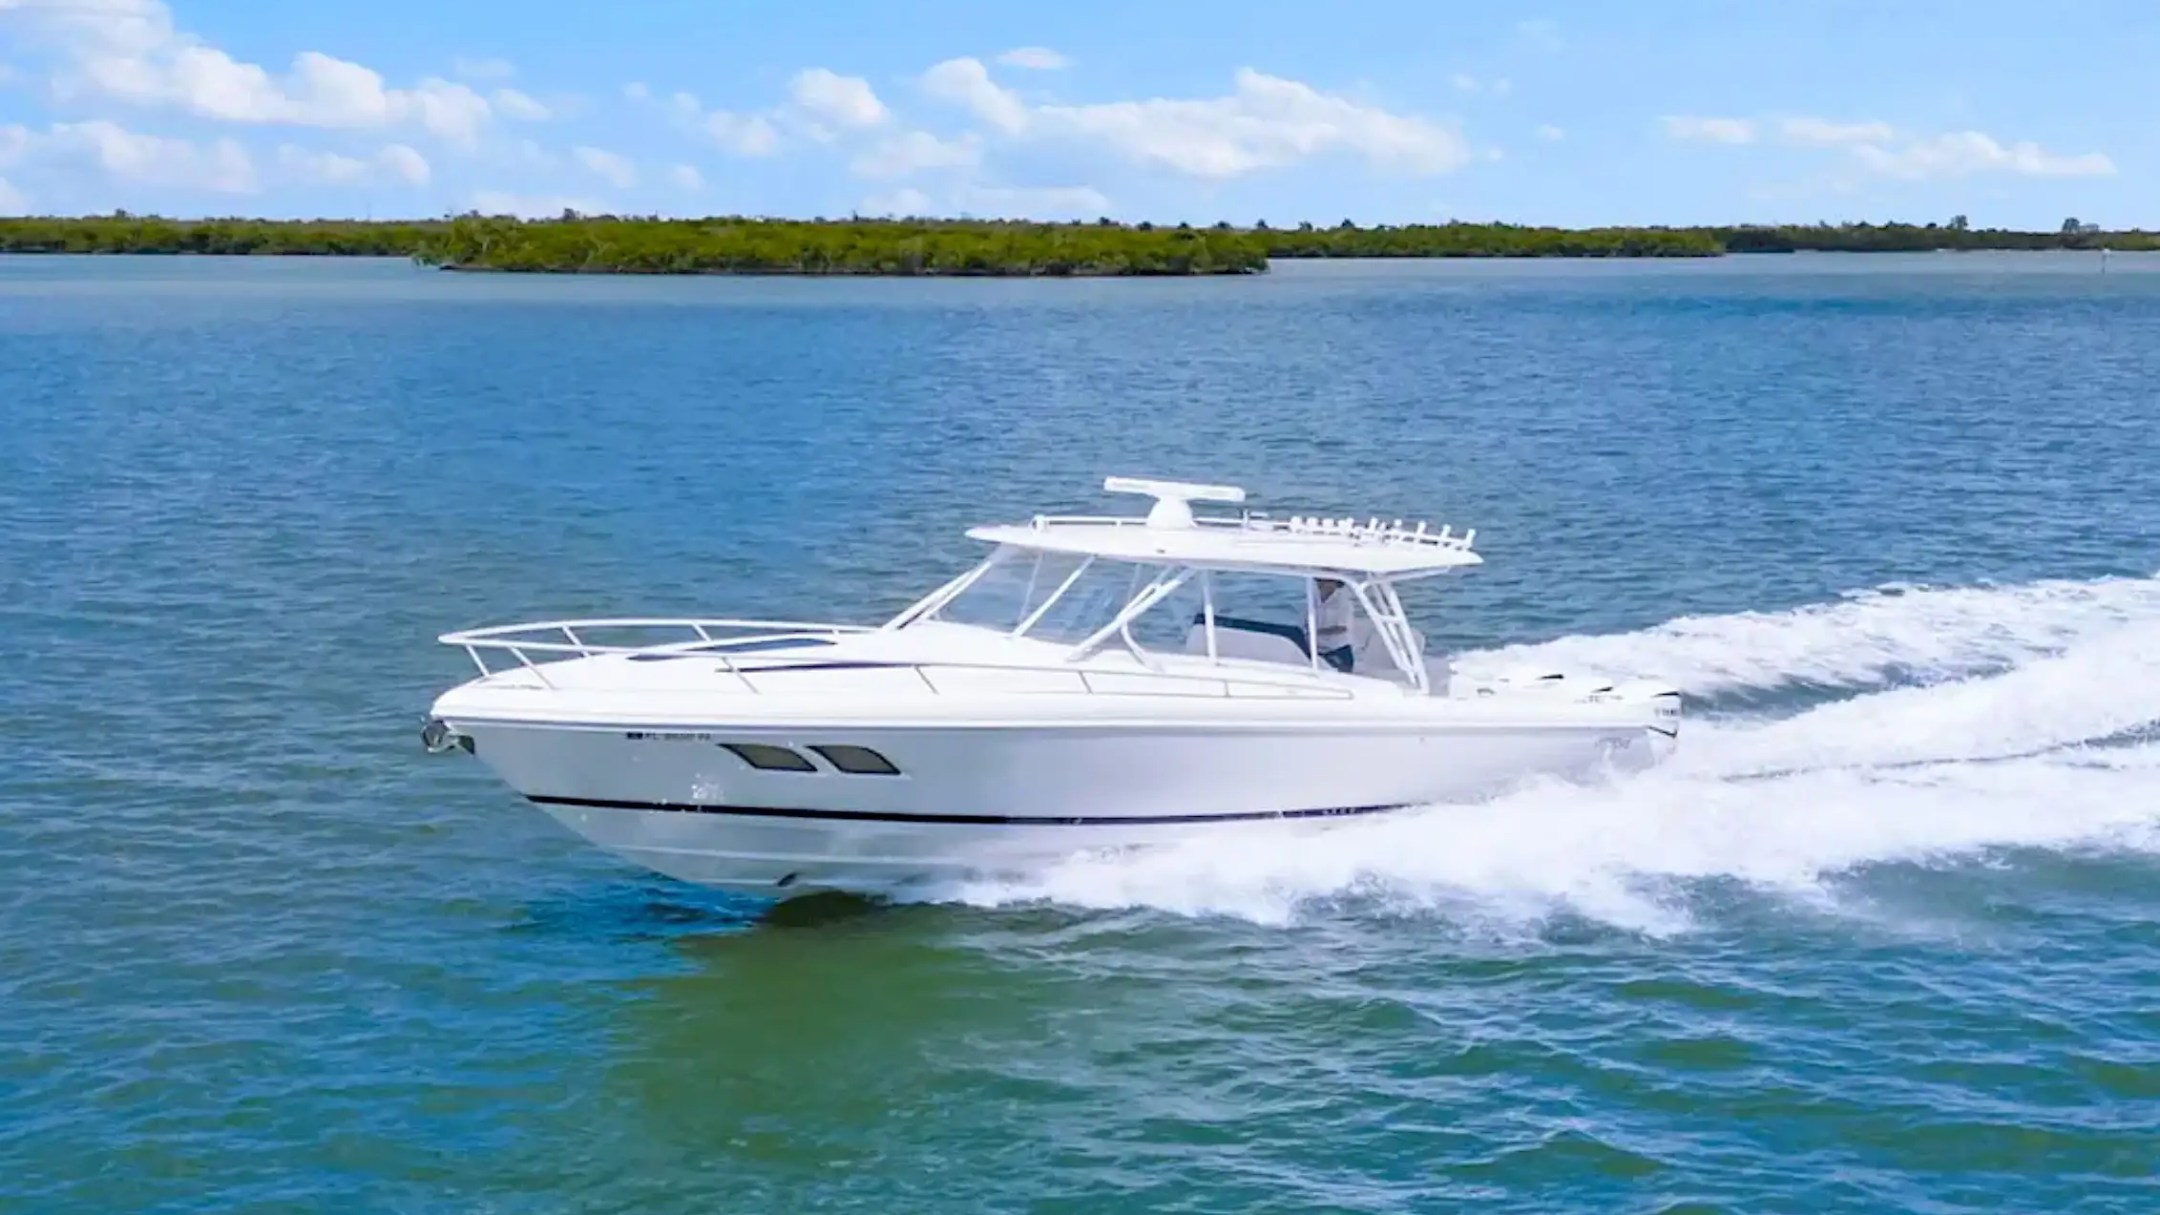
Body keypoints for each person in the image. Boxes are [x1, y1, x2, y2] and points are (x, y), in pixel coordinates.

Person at [1314, 577, 1356, 672]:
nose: (1323, 584)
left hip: (1337, 648)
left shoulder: (1343, 601)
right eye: (1321, 580)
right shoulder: (1312, 598)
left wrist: (1315, 632)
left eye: (1327, 581)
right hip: (1315, 648)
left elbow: (1342, 627)